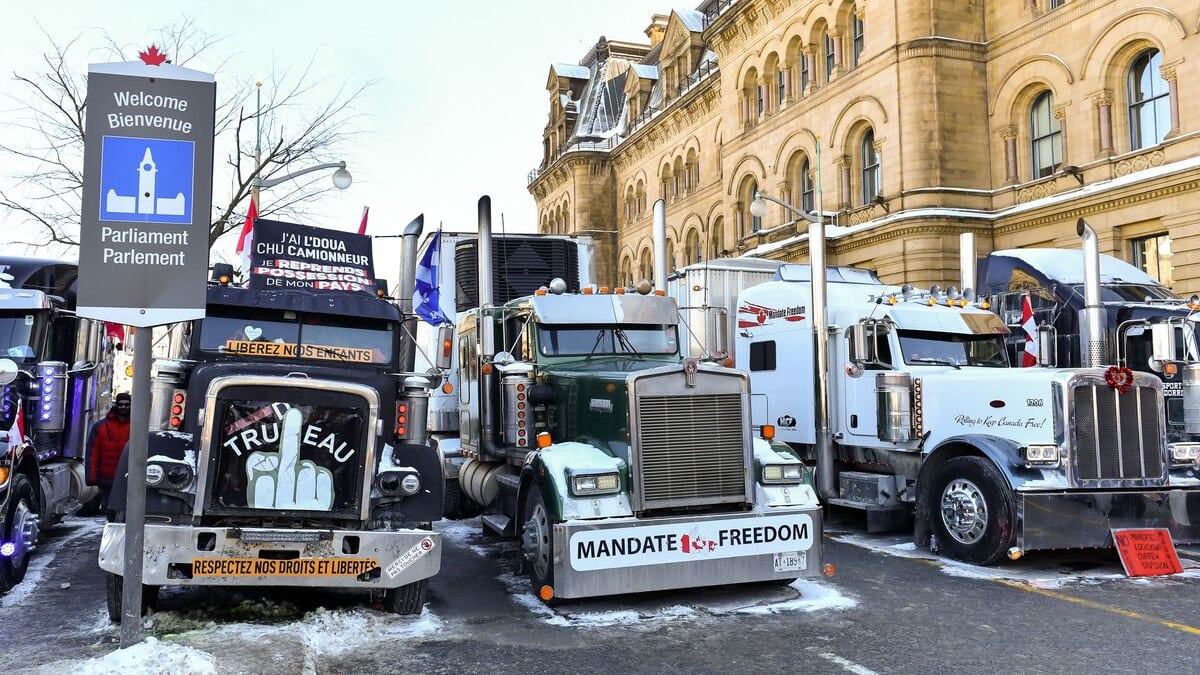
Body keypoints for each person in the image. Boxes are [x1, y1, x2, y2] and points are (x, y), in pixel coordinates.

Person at [86, 392, 131, 511]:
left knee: (125, 509)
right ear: (116, 405)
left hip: (128, 476)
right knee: (109, 508)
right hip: (107, 477)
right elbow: (92, 453)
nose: (123, 407)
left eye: (126, 405)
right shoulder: (100, 427)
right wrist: (91, 477)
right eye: (120, 404)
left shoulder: (136, 426)